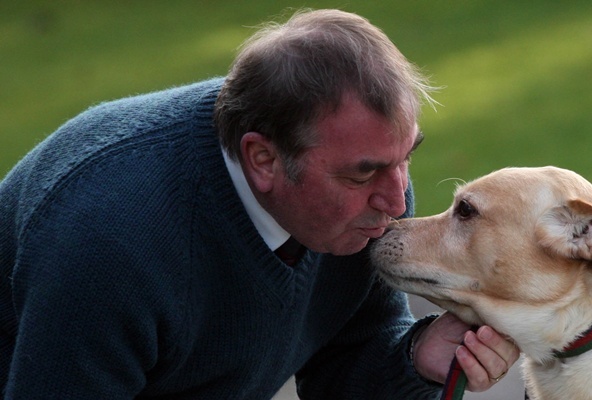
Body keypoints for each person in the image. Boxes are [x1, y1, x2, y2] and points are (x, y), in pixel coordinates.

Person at [0, 8, 519, 399]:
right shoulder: (109, 239)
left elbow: (348, 362)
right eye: (363, 172)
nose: (394, 199)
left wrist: (414, 357)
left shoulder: (364, 200)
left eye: (405, 158)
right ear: (264, 159)